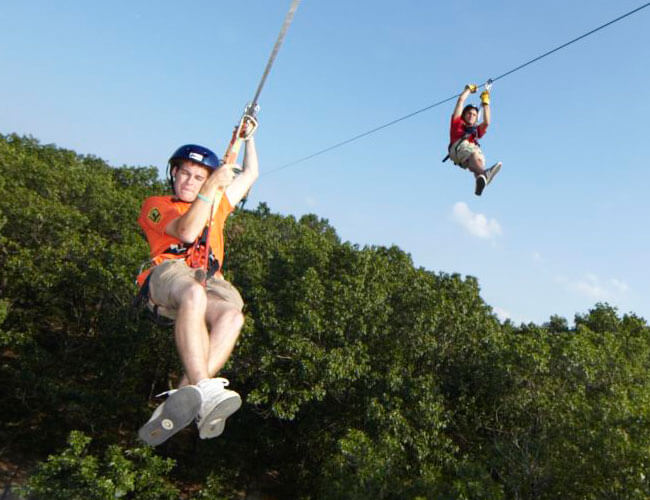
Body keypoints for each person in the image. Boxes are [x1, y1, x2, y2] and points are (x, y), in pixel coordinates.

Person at [135, 126, 258, 446]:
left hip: (208, 279)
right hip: (169, 276)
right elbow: (188, 232)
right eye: (184, 174)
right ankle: (205, 389)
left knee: (232, 316)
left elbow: (250, 172)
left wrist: (247, 138)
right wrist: (211, 187)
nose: (189, 182)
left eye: (197, 177)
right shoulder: (157, 205)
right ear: (173, 174)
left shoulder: (217, 205)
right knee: (192, 293)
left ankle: (185, 396)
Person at [447, 83, 502, 196]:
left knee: (479, 159)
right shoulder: (457, 123)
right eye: (469, 113)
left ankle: (480, 179)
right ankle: (484, 174)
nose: (471, 115)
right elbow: (460, 101)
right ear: (464, 115)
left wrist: (486, 103)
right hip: (458, 147)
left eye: (474, 114)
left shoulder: (475, 131)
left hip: (465, 155)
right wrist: (468, 90)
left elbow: (487, 122)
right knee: (473, 153)